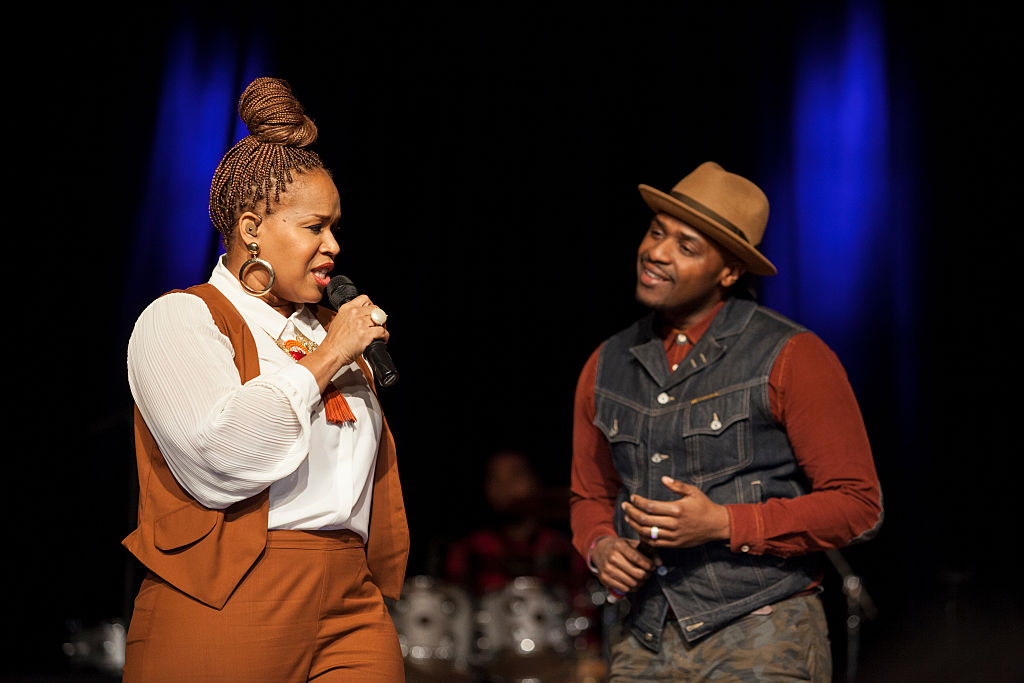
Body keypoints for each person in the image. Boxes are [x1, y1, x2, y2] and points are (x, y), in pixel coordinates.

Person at [122, 77, 409, 682]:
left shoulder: (330, 330)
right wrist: (328, 357)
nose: (333, 245)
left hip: (352, 595)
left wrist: (334, 348)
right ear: (252, 228)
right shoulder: (183, 317)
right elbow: (221, 458)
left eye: (335, 227)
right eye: (314, 227)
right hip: (234, 588)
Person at [569, 162, 883, 681]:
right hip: (643, 637)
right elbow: (589, 496)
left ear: (729, 271)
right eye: (656, 232)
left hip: (761, 633)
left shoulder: (791, 356)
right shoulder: (607, 364)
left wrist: (724, 523)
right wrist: (602, 545)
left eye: (687, 247)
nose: (656, 253)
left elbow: (859, 505)